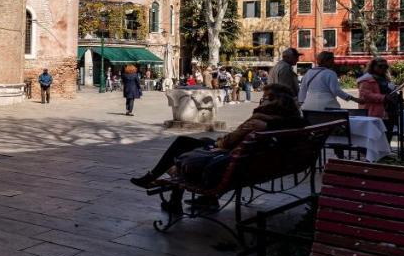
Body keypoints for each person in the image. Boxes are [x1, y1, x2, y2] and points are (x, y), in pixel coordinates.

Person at [129, 83, 305, 213]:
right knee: (195, 141)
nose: (261, 100)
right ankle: (174, 193)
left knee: (183, 144)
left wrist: (217, 144)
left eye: (265, 98)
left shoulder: (258, 122)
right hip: (257, 163)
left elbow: (227, 143)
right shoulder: (291, 120)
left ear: (273, 101)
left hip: (229, 160)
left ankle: (159, 184)